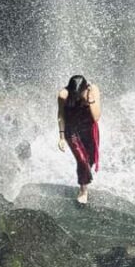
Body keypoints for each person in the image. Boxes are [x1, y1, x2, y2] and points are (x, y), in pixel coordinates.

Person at [57, 75, 101, 205]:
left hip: (89, 129)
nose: (77, 98)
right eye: (74, 95)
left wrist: (90, 100)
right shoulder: (63, 95)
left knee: (90, 160)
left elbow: (97, 117)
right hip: (72, 130)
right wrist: (61, 137)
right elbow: (61, 115)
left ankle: (84, 178)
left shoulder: (93, 90)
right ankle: (83, 190)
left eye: (79, 95)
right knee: (82, 159)